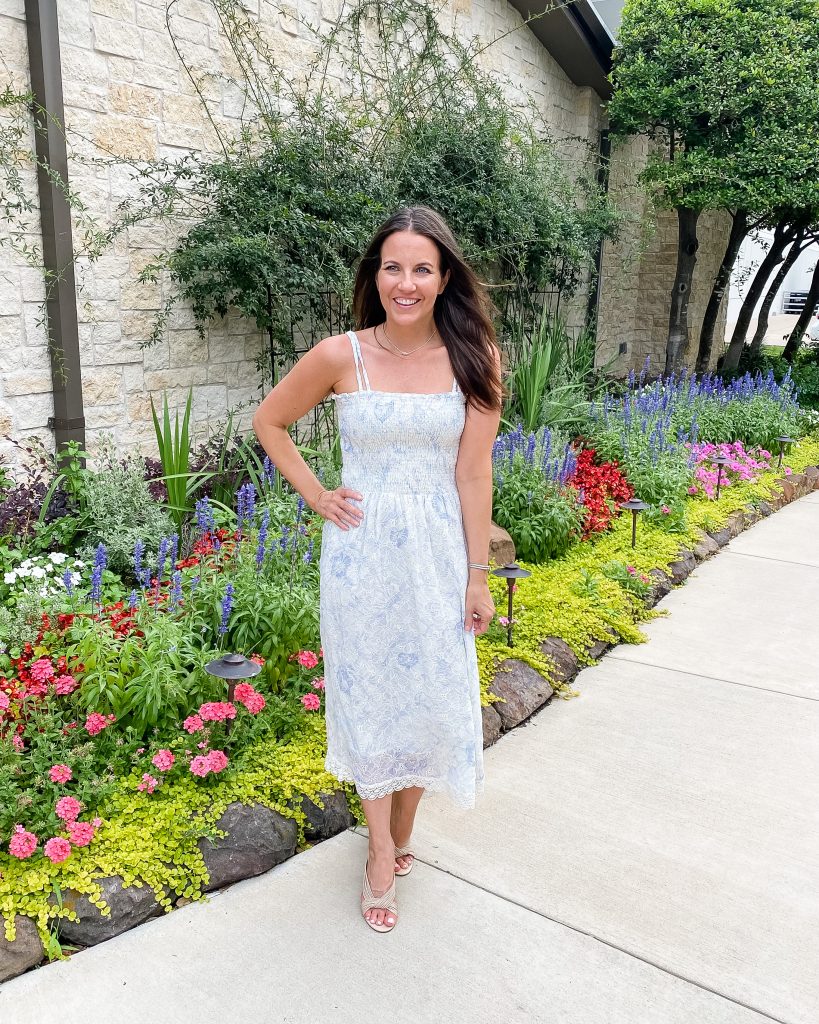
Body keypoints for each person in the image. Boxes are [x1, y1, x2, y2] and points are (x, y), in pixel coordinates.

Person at [252, 206, 503, 933]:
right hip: (361, 558)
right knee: (369, 699)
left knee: (433, 696)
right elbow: (271, 421)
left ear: (443, 276)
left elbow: (474, 475)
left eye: (421, 267)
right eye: (392, 266)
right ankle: (379, 847)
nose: (405, 281)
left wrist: (477, 574)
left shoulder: (474, 357)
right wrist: (316, 495)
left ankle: (404, 827)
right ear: (374, 275)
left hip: (438, 554)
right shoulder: (340, 355)